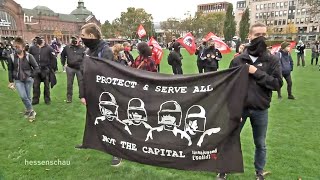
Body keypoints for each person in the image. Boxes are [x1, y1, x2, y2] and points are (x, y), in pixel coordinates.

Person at [218, 22, 283, 180]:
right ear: (250, 36)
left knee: (260, 143)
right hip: (240, 109)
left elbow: (277, 83)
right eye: (257, 35)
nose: (260, 38)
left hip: (260, 109)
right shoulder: (238, 60)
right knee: (229, 139)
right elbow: (230, 86)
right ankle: (223, 169)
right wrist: (234, 109)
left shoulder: (272, 60)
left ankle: (259, 172)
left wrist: (256, 72)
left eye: (263, 35)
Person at [76, 23, 120, 166]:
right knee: (91, 118)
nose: (81, 39)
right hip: (91, 92)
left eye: (83, 36)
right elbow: (83, 73)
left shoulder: (105, 50)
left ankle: (116, 153)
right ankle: (88, 142)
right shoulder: (88, 51)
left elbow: (107, 74)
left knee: (110, 121)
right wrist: (83, 94)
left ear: (91, 36)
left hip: (105, 93)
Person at [7, 37, 40, 121]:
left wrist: (31, 75)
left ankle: (28, 110)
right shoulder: (11, 57)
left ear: (23, 47)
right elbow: (10, 70)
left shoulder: (29, 56)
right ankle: (32, 111)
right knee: (23, 96)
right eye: (15, 47)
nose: (16, 49)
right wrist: (11, 81)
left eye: (18, 47)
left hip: (28, 79)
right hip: (18, 80)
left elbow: (36, 68)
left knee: (28, 97)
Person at [28, 36, 57, 105]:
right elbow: (29, 58)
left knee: (47, 86)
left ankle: (47, 99)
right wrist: (30, 69)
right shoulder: (32, 48)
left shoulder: (49, 48)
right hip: (36, 70)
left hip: (45, 70)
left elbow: (53, 58)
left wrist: (52, 68)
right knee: (35, 86)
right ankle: (35, 100)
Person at [60, 36, 86, 103]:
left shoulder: (82, 48)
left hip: (79, 68)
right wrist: (63, 64)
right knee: (69, 84)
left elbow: (85, 58)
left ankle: (82, 97)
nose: (75, 41)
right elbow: (62, 55)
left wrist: (83, 66)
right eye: (74, 40)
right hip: (70, 68)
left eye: (76, 40)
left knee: (81, 83)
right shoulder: (67, 48)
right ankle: (69, 98)